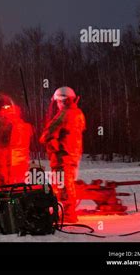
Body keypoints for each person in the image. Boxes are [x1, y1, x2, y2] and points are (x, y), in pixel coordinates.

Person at [39, 86, 86, 223]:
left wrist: (48, 140)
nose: (57, 104)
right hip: (74, 155)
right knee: (68, 183)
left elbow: (47, 135)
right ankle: (69, 211)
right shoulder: (79, 114)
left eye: (57, 102)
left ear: (61, 100)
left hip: (63, 156)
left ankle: (69, 214)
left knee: (64, 184)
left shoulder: (63, 115)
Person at [0, 95, 32, 184]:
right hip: (23, 161)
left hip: (12, 162)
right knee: (21, 184)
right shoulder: (27, 126)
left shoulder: (9, 127)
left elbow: (3, 143)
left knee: (11, 185)